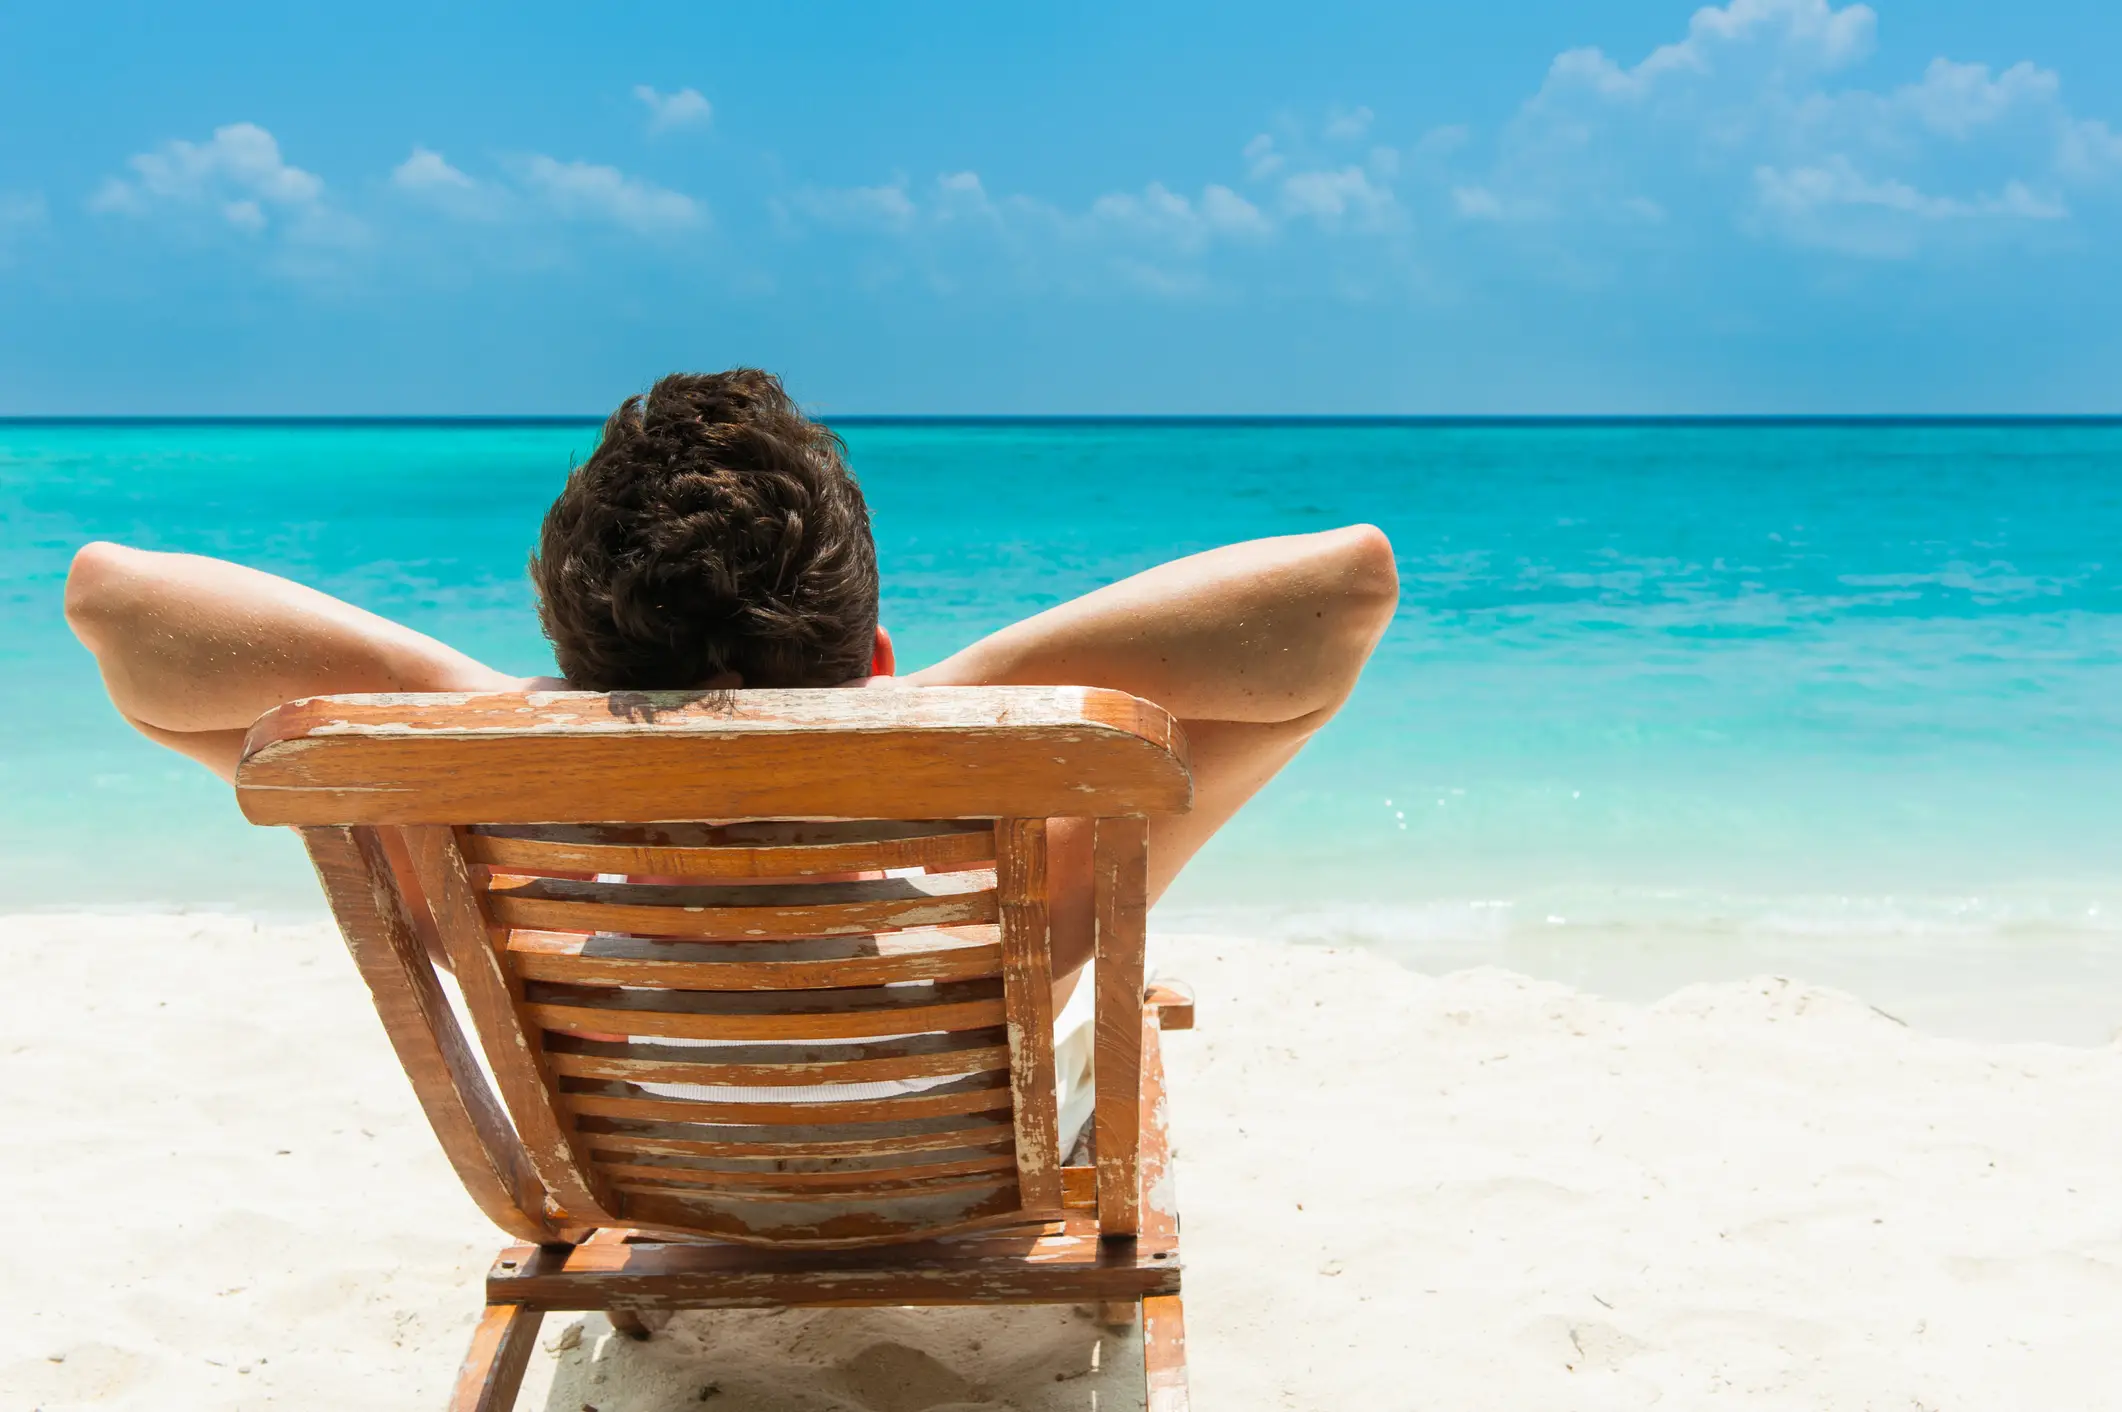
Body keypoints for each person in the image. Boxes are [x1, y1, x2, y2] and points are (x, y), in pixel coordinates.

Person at [63, 369, 1399, 994]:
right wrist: (932, 703)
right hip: (945, 1191)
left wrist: (513, 713)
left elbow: (113, 602)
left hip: (638, 1179)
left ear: (582, 670)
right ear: (872, 660)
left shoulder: (481, 847)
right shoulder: (1022, 876)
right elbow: (1343, 585)